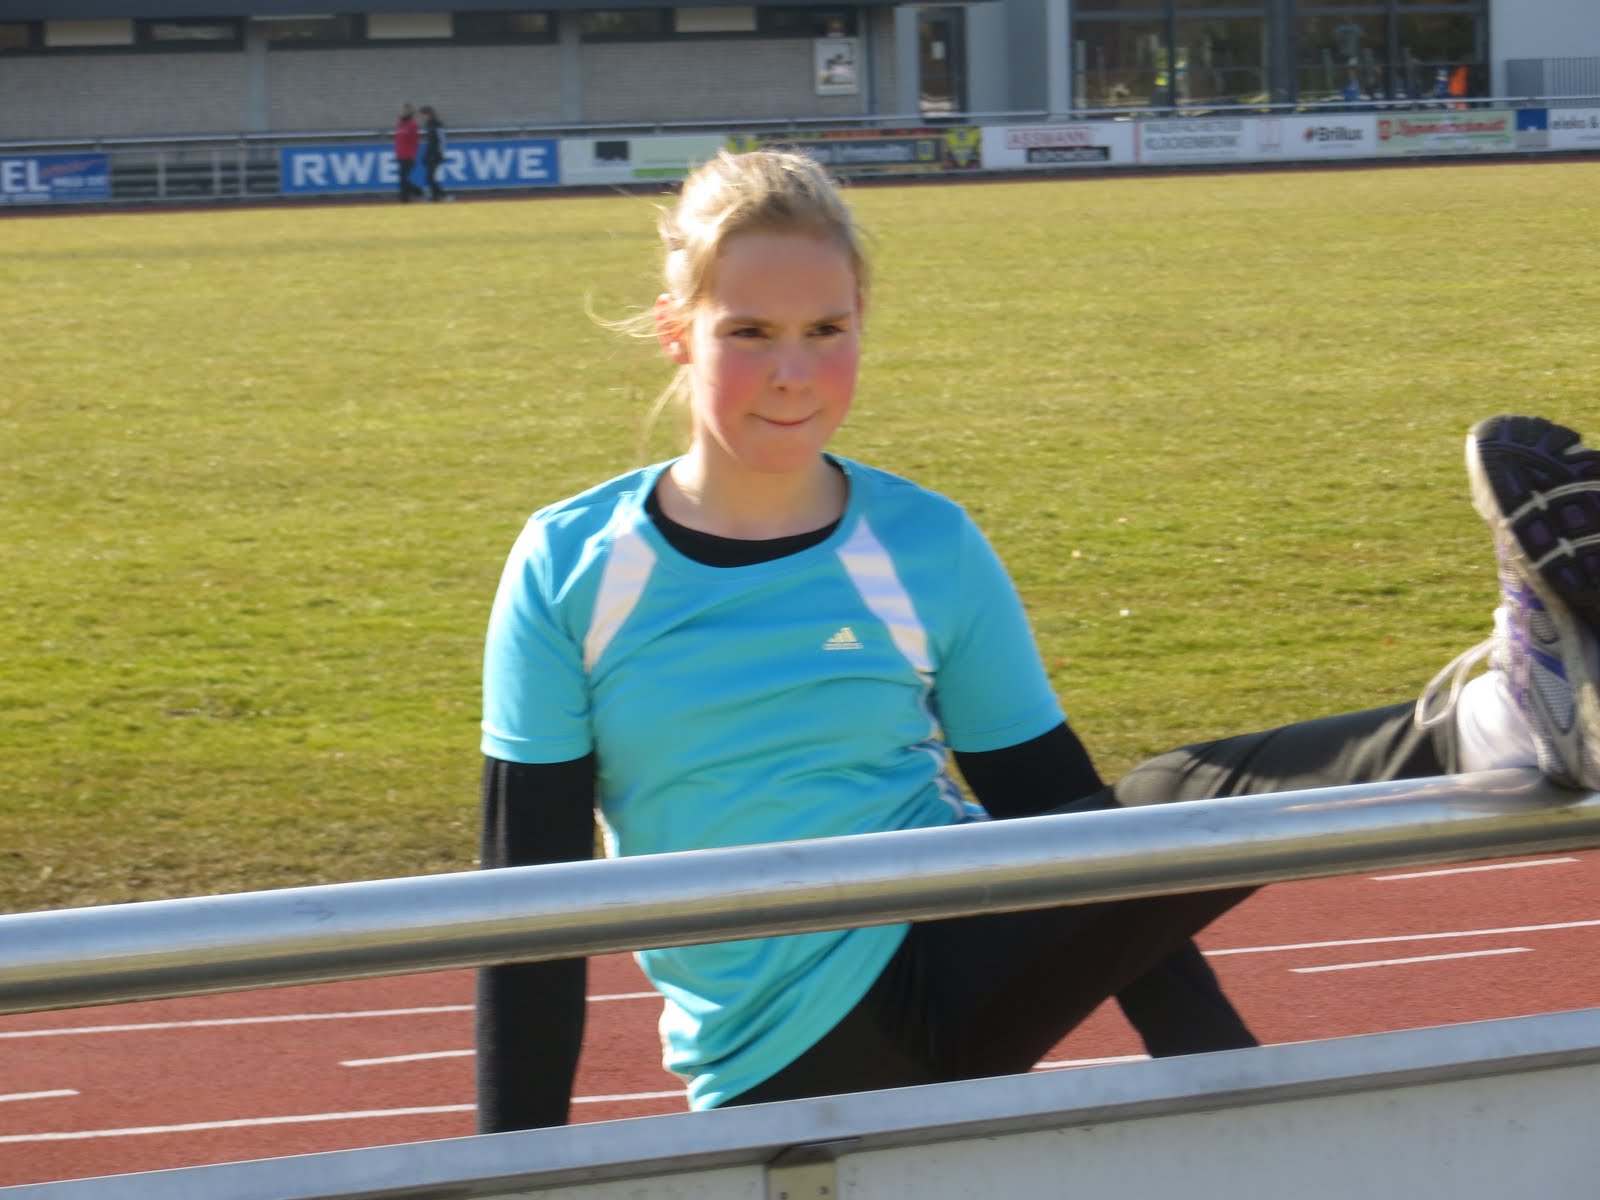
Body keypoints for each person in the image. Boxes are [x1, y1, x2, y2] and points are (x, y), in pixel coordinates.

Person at [475, 148, 1600, 1131]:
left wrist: (1213, 1077)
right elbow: (526, 912)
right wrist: (504, 1168)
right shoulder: (571, 564)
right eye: (748, 333)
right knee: (1161, 802)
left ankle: (1509, 711)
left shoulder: (924, 542)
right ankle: (1508, 708)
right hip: (781, 1056)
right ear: (676, 333)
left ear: (863, 321)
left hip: (961, 944)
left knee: (1153, 808)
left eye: (827, 330)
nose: (793, 373)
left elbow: (1069, 824)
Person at [393, 102, 422, 203]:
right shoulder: (400, 124)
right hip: (400, 156)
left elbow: (415, 141)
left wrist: (413, 156)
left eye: (405, 111)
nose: (402, 112)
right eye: (402, 110)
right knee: (402, 179)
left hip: (408, 156)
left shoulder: (412, 124)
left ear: (409, 112)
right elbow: (398, 141)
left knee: (402, 179)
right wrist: (397, 153)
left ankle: (407, 197)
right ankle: (413, 195)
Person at [419, 105, 448, 202]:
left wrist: (441, 154)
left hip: (436, 155)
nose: (423, 117)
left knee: (430, 178)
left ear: (430, 114)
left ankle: (443, 196)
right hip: (430, 155)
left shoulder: (437, 125)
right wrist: (426, 156)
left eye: (425, 115)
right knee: (430, 178)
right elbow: (429, 143)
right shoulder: (428, 125)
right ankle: (435, 197)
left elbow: (442, 140)